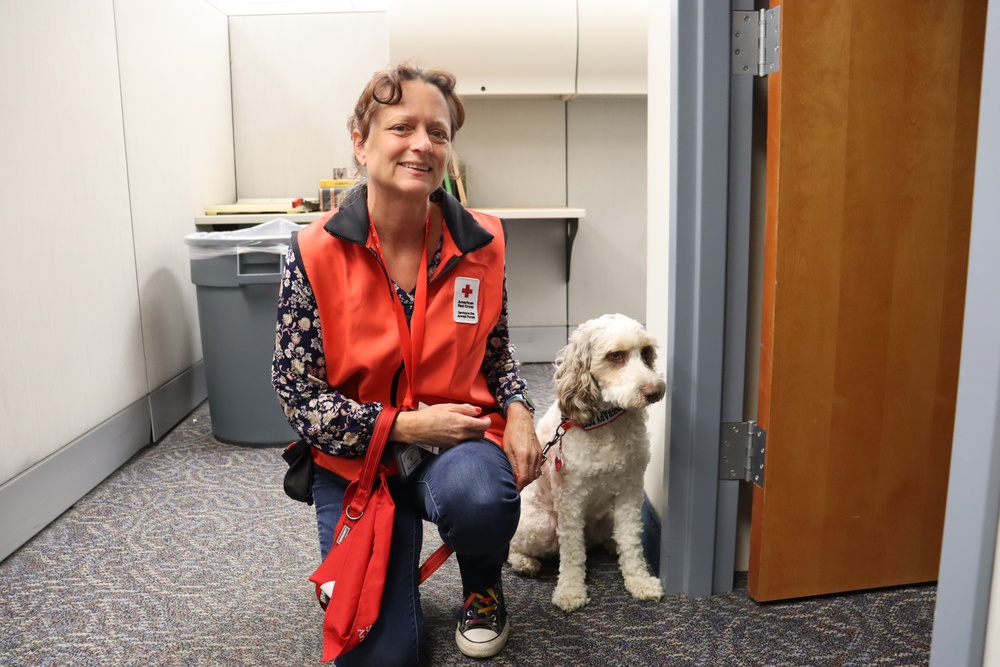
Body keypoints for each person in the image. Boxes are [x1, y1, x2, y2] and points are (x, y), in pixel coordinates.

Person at [271, 62, 543, 666]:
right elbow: (295, 391)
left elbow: (496, 356)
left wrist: (521, 408)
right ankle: (385, 585)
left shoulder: (482, 244)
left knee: (481, 496)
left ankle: (481, 583)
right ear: (361, 143)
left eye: (438, 132)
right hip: (356, 461)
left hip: (457, 447)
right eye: (402, 127)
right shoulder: (312, 251)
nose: (423, 144)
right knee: (380, 656)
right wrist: (404, 426)